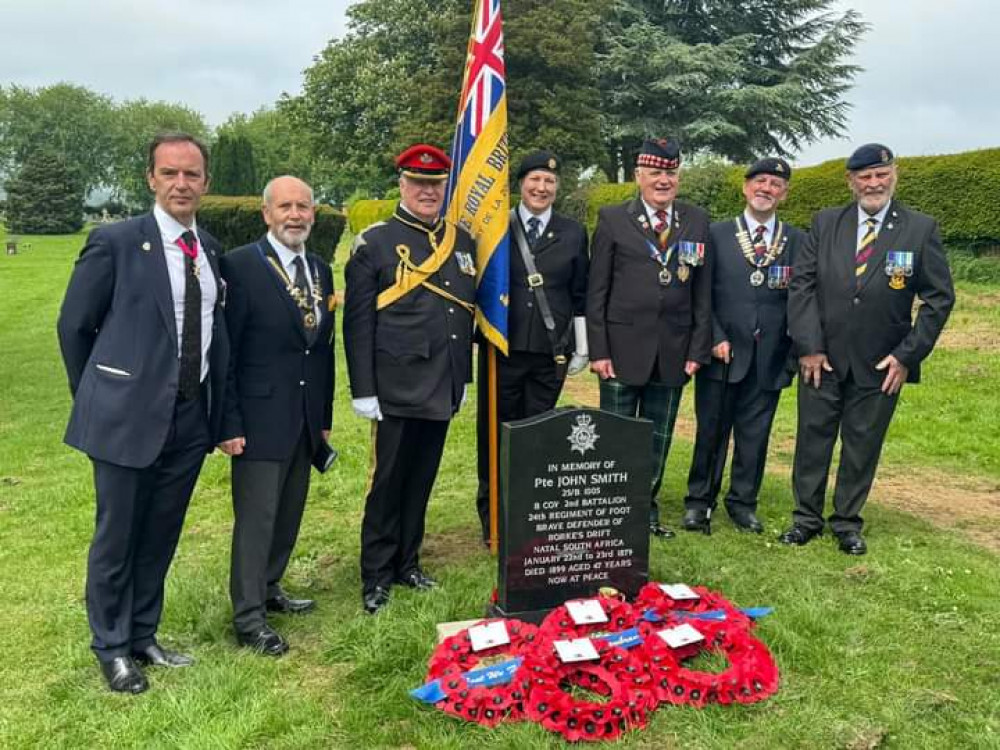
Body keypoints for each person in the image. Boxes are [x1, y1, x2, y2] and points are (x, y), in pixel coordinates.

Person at [57, 133, 229, 694]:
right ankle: (110, 648)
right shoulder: (117, 241)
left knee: (160, 533)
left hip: (188, 418)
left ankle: (142, 634)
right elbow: (74, 326)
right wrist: (99, 396)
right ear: (151, 179)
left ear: (206, 181)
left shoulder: (210, 250)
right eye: (171, 173)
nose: (182, 184)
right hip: (124, 418)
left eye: (193, 174)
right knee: (118, 536)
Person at [781, 143, 955, 555]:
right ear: (851, 181)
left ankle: (846, 522)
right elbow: (801, 286)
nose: (873, 183)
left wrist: (907, 354)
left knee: (862, 443)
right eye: (865, 176)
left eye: (881, 174)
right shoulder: (825, 223)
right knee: (812, 439)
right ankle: (805, 519)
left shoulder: (920, 229)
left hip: (882, 361)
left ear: (894, 175)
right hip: (821, 359)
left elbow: (938, 299)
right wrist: (808, 346)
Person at [343, 144, 477, 614]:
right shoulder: (375, 243)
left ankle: (408, 562)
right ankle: (376, 575)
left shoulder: (461, 241)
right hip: (395, 385)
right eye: (418, 183)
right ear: (401, 184)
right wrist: (363, 389)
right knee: (388, 483)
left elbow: (461, 314)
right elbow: (358, 322)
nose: (427, 192)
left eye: (436, 184)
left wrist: (463, 375)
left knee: (421, 479)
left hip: (443, 383)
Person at [217, 176, 335, 656]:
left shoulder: (321, 269)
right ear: (266, 214)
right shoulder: (240, 266)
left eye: (303, 207)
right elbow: (224, 351)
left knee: (288, 511)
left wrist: (322, 416)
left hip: (304, 417)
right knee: (257, 518)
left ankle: (270, 587)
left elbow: (323, 349)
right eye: (285, 206)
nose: (295, 215)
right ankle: (248, 617)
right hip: (258, 417)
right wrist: (228, 422)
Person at [586, 138, 712, 538]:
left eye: (670, 173)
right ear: (638, 176)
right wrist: (598, 349)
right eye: (655, 173)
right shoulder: (612, 219)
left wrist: (698, 348)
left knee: (658, 438)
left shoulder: (696, 220)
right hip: (621, 350)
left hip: (674, 350)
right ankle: (611, 510)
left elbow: (703, 293)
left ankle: (645, 509)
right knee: (616, 438)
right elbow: (597, 292)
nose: (663, 180)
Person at [682, 158, 804, 534]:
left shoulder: (797, 239)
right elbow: (699, 293)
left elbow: (801, 298)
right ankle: (699, 502)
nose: (766, 189)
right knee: (711, 433)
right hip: (722, 354)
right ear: (745, 187)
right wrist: (714, 336)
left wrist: (793, 353)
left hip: (770, 357)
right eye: (760, 181)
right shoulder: (716, 234)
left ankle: (742, 503)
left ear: (784, 193)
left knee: (755, 436)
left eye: (776, 184)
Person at [475, 150, 590, 544]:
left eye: (549, 182)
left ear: (557, 188)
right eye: (534, 180)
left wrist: (582, 346)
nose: (541, 188)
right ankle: (493, 516)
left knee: (538, 436)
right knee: (496, 432)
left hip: (549, 351)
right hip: (502, 348)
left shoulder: (573, 231)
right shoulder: (495, 228)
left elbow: (580, 293)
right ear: (520, 184)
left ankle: (531, 513)